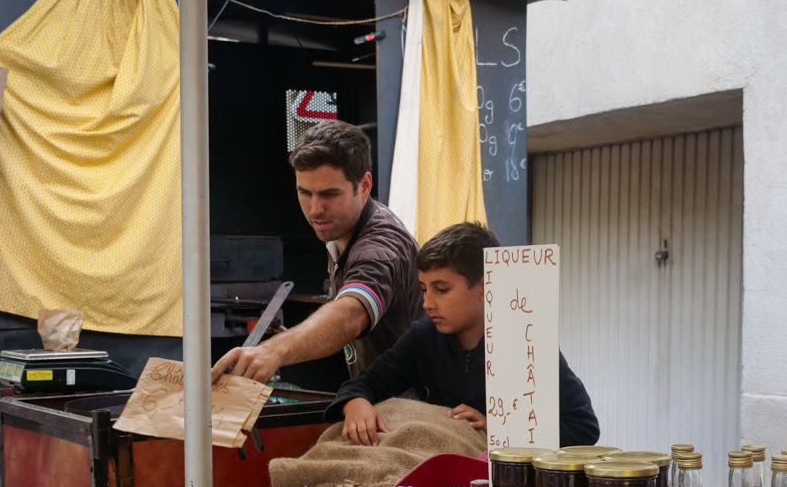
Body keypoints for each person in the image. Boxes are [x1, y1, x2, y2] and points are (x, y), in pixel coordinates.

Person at [326, 222, 600, 447]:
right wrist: (355, 403)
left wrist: (499, 429)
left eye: (441, 289)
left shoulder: (524, 342)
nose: (427, 303)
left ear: (485, 287)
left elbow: (583, 428)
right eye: (424, 289)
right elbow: (366, 382)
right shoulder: (422, 338)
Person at [211, 120, 423, 384]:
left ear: (365, 185)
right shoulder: (341, 229)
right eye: (305, 193)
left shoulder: (380, 247)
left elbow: (351, 313)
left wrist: (273, 351)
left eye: (329, 194)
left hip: (412, 411)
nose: (315, 209)